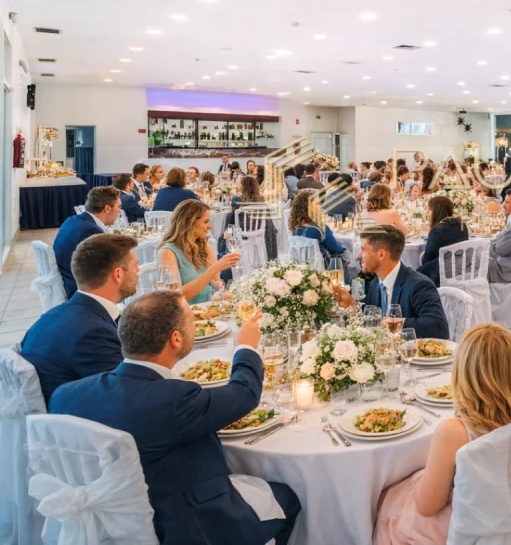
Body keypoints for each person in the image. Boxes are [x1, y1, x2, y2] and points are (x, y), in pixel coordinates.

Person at [50, 293, 301, 544]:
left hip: (109, 526)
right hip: (189, 526)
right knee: (290, 498)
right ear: (176, 338)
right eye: (191, 321)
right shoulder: (174, 400)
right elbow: (244, 394)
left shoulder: (65, 396)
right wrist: (245, 348)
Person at [374, 322, 511, 543]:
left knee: (388, 499)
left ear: (462, 373)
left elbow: (427, 506)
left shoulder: (453, 431)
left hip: (463, 527)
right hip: (509, 514)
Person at [21, 234, 137, 407]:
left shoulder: (53, 314)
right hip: (77, 424)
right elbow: (126, 397)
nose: (139, 271)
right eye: (135, 266)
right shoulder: (93, 334)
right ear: (118, 274)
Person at [337, 227, 449, 339]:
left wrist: (394, 323)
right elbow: (373, 318)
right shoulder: (375, 284)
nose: (358, 256)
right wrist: (352, 304)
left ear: (381, 254)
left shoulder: (419, 285)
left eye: (363, 250)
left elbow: (439, 327)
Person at [158, 200, 240, 305]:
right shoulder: (168, 252)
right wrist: (214, 269)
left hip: (210, 309)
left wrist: (227, 295)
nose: (210, 227)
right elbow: (176, 298)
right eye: (206, 222)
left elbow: (217, 286)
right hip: (186, 314)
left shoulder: (203, 246)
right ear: (189, 222)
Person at [54, 186, 123, 298]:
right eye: (119, 207)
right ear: (107, 208)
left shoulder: (73, 220)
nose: (120, 211)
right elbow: (102, 269)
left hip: (66, 278)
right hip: (78, 289)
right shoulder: (91, 231)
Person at [417, 196, 470, 286]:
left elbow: (427, 259)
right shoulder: (462, 225)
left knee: (411, 275)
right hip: (461, 268)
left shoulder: (437, 230)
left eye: (429, 210)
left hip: (441, 273)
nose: (426, 213)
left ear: (436, 211)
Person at [289, 189, 348, 266]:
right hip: (323, 266)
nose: (320, 206)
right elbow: (335, 248)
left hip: (301, 266)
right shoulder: (320, 229)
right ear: (307, 207)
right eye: (317, 204)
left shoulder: (295, 227)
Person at [231, 175, 279, 261]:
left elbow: (233, 223)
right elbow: (269, 226)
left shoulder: (237, 200)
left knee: (226, 230)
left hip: (243, 238)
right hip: (261, 239)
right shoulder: (262, 202)